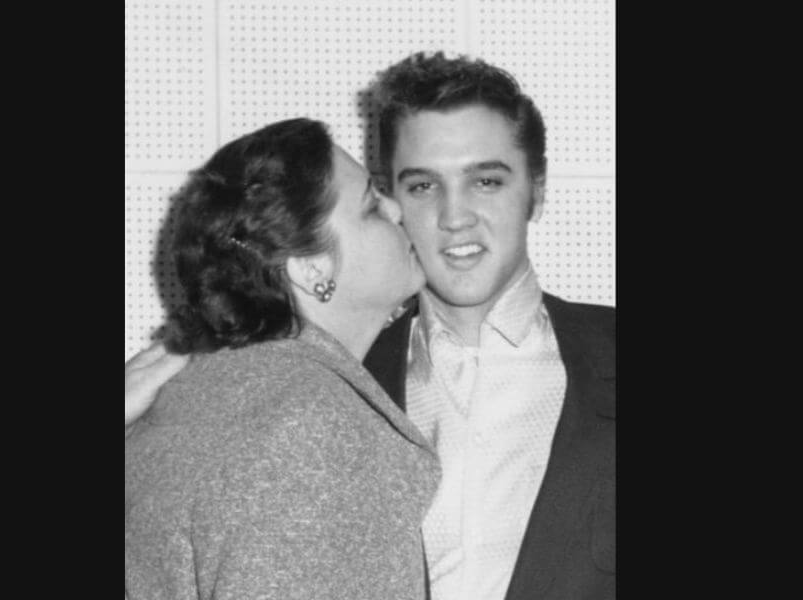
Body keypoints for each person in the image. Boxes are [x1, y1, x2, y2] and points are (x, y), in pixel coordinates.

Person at [127, 51, 615, 600]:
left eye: (486, 181)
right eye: (423, 186)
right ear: (391, 196)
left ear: (537, 190)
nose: (455, 217)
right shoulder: (310, 385)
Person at [125, 117, 440, 600]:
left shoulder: (188, 400)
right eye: (372, 207)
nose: (399, 209)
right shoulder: (310, 428)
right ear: (313, 268)